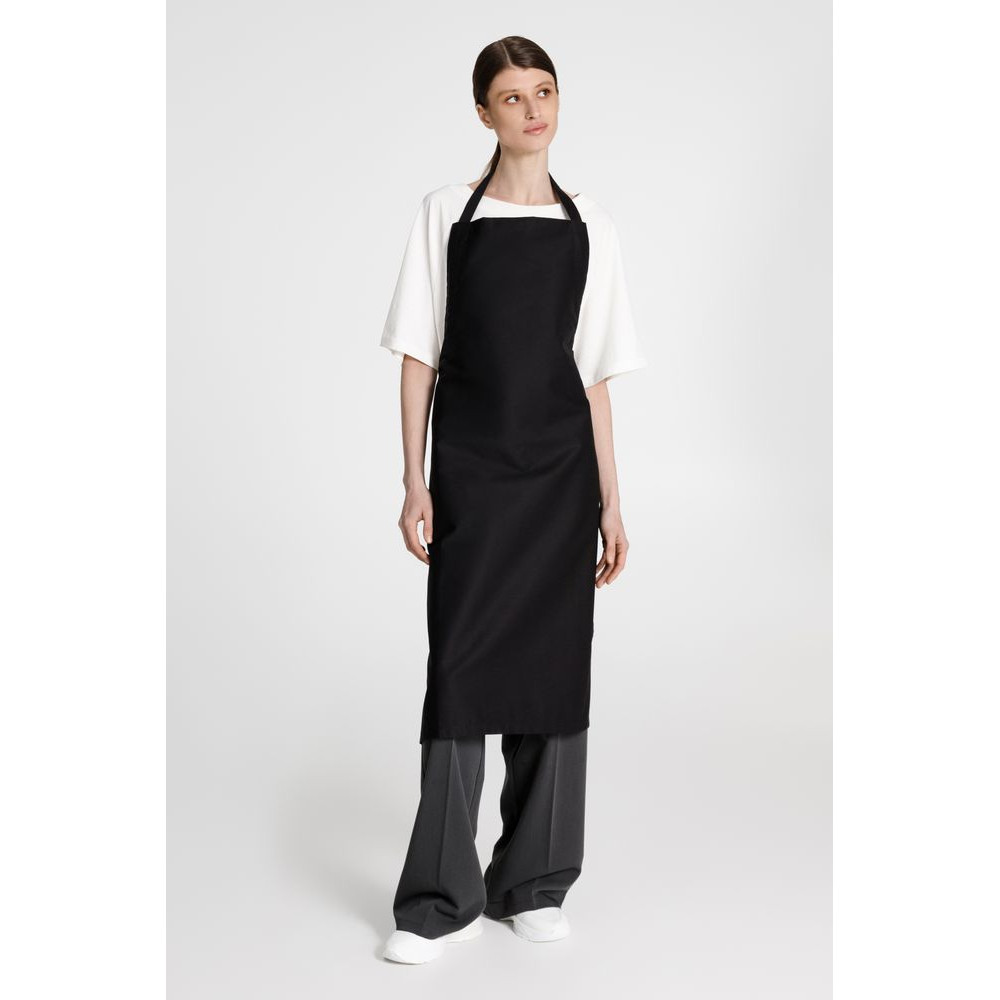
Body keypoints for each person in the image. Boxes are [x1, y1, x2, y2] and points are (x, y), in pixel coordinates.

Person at [378, 35, 647, 964]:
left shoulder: (592, 223)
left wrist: (612, 501)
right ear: (483, 113)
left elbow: (594, 376)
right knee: (459, 676)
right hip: (473, 475)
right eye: (512, 96)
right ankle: (436, 900)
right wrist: (413, 478)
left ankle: (533, 882)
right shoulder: (444, 214)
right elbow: (419, 356)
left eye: (545, 91)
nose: (533, 110)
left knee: (553, 676)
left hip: (560, 478)